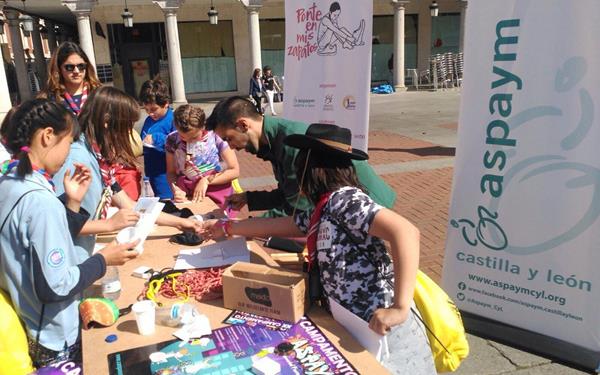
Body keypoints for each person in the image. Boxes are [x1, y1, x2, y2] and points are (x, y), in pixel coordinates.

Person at [202, 124, 435, 374]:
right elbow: (286, 224)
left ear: (311, 170)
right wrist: (227, 228)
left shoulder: (344, 200)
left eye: (299, 167)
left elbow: (406, 232)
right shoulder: (323, 208)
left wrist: (399, 308)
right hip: (360, 326)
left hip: (387, 331)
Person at [0, 99, 138, 368]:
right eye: (68, 142)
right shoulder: (40, 201)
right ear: (47, 136)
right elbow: (56, 285)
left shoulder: (9, 181)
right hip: (53, 334)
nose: (69, 153)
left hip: (25, 317)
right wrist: (104, 260)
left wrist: (71, 203)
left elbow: (31, 239)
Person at [53, 86, 201, 258]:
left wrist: (180, 223)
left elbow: (131, 206)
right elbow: (59, 223)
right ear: (107, 122)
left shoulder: (99, 160)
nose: (129, 133)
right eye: (127, 126)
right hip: (69, 261)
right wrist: (109, 225)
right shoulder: (77, 159)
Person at [206, 96, 396, 217]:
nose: (231, 147)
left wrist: (243, 227)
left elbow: (298, 209)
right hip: (347, 210)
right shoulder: (273, 140)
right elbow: (291, 195)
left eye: (229, 138)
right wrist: (249, 198)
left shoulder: (290, 143)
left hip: (368, 208)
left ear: (243, 125)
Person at [166, 104, 239, 209]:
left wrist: (207, 180)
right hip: (187, 195)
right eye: (182, 137)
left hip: (218, 192)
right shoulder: (172, 139)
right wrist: (176, 189)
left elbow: (234, 170)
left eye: (194, 137)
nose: (188, 141)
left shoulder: (216, 135)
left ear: (203, 126)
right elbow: (171, 172)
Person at [38, 41, 101, 117]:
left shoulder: (99, 94)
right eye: (70, 67)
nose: (76, 71)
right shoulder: (49, 99)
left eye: (81, 66)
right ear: (59, 69)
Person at [139, 79, 176, 199]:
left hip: (168, 174)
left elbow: (180, 143)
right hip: (151, 173)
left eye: (154, 109)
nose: (150, 113)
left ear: (166, 103)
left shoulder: (174, 119)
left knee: (168, 204)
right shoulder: (149, 120)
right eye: (146, 110)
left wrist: (156, 138)